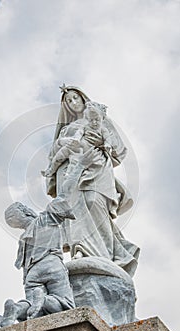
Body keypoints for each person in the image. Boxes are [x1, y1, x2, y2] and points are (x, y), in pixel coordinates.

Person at [0, 148, 100, 328]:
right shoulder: (45, 219)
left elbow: (23, 267)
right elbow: (65, 193)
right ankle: (45, 299)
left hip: (31, 273)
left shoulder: (23, 240)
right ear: (27, 211)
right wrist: (80, 165)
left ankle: (16, 309)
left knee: (33, 304)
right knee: (66, 305)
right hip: (51, 264)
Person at [44, 85, 139, 277]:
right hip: (69, 172)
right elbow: (54, 154)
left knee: (94, 202)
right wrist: (62, 144)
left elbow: (118, 150)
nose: (73, 103)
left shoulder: (101, 120)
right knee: (73, 211)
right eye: (68, 101)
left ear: (82, 98)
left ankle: (108, 254)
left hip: (96, 167)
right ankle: (80, 250)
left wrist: (104, 146)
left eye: (75, 98)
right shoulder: (66, 129)